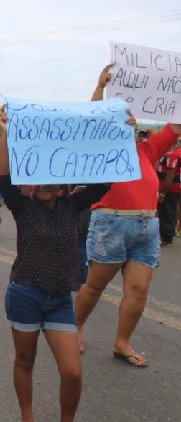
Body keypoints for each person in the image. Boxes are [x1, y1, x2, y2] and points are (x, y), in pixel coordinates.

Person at [0, 105, 112, 422]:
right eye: (39, 178)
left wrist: (120, 134)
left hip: (60, 300)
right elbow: (3, 177)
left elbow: (104, 183)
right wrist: (6, 135)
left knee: (72, 372)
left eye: (51, 179)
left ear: (61, 183)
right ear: (31, 181)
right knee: (25, 359)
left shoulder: (72, 205)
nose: (44, 185)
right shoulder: (22, 206)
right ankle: (27, 415)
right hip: (25, 295)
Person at [74, 63, 181, 367]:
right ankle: (75, 328)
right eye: (122, 119)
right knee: (94, 286)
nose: (129, 122)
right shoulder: (102, 148)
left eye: (131, 119)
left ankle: (121, 342)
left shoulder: (148, 150)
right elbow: (93, 120)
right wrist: (100, 87)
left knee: (139, 289)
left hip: (147, 227)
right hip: (111, 223)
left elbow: (176, 125)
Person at [156, 140, 180, 246]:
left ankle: (167, 237)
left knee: (167, 211)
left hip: (170, 188)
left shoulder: (173, 154)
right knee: (170, 210)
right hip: (174, 186)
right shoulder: (172, 152)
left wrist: (163, 193)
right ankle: (166, 234)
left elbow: (170, 175)